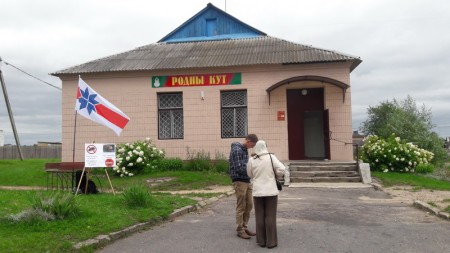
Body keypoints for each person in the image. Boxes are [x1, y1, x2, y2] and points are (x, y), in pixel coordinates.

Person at [246, 140, 285, 248]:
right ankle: (271, 242)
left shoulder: (251, 160)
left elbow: (249, 174)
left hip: (258, 191)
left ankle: (261, 241)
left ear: (256, 148)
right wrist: (276, 176)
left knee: (259, 216)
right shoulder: (271, 157)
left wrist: (256, 178)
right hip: (271, 191)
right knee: (270, 216)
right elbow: (282, 168)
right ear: (265, 147)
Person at [229, 134, 258, 239]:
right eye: (252, 145)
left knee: (249, 204)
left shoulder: (244, 149)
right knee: (241, 205)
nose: (252, 147)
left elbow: (244, 164)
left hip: (246, 180)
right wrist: (253, 167)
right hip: (239, 181)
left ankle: (244, 226)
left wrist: (252, 160)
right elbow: (239, 167)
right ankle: (240, 229)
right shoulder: (237, 150)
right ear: (248, 141)